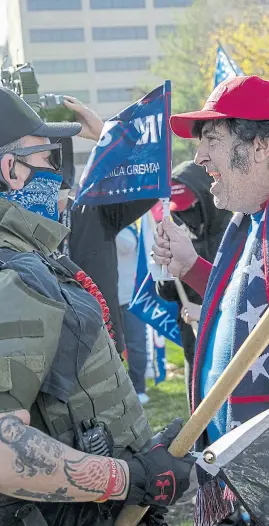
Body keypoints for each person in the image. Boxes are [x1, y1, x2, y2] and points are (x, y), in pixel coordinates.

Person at [0, 86, 194, 526]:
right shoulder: (12, 275)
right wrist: (129, 477)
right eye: (48, 158)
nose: (57, 172)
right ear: (11, 169)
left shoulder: (27, 251)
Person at [152, 75, 269, 526]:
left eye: (212, 140)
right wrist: (192, 269)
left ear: (258, 145)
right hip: (233, 479)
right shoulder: (249, 217)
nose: (199, 158)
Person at [59, 96, 157, 357]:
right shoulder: (15, 221)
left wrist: (104, 135)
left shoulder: (93, 211)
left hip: (100, 351)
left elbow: (152, 180)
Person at [156, 161, 231, 408]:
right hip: (192, 337)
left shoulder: (235, 232)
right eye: (181, 209)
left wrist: (209, 310)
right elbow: (168, 293)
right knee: (198, 404)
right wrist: (164, 271)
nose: (187, 214)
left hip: (228, 336)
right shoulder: (180, 235)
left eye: (191, 206)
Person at [116, 224, 149, 404]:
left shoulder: (126, 230)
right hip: (107, 298)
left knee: (136, 345)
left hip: (130, 298)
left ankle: (139, 387)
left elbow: (127, 244)